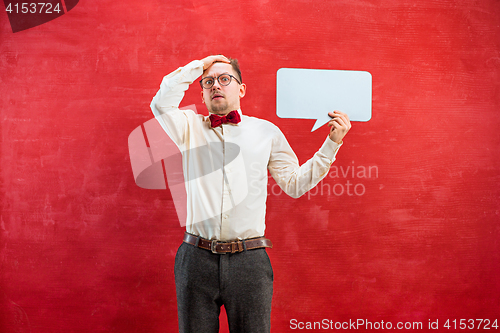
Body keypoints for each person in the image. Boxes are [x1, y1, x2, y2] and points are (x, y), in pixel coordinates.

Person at [150, 55, 351, 333]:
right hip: (195, 259)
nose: (216, 86)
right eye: (208, 82)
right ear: (202, 92)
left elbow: (294, 184)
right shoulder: (188, 127)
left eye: (224, 79)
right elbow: (160, 103)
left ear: (241, 89)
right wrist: (201, 64)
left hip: (250, 261)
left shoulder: (266, 132)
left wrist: (332, 143)